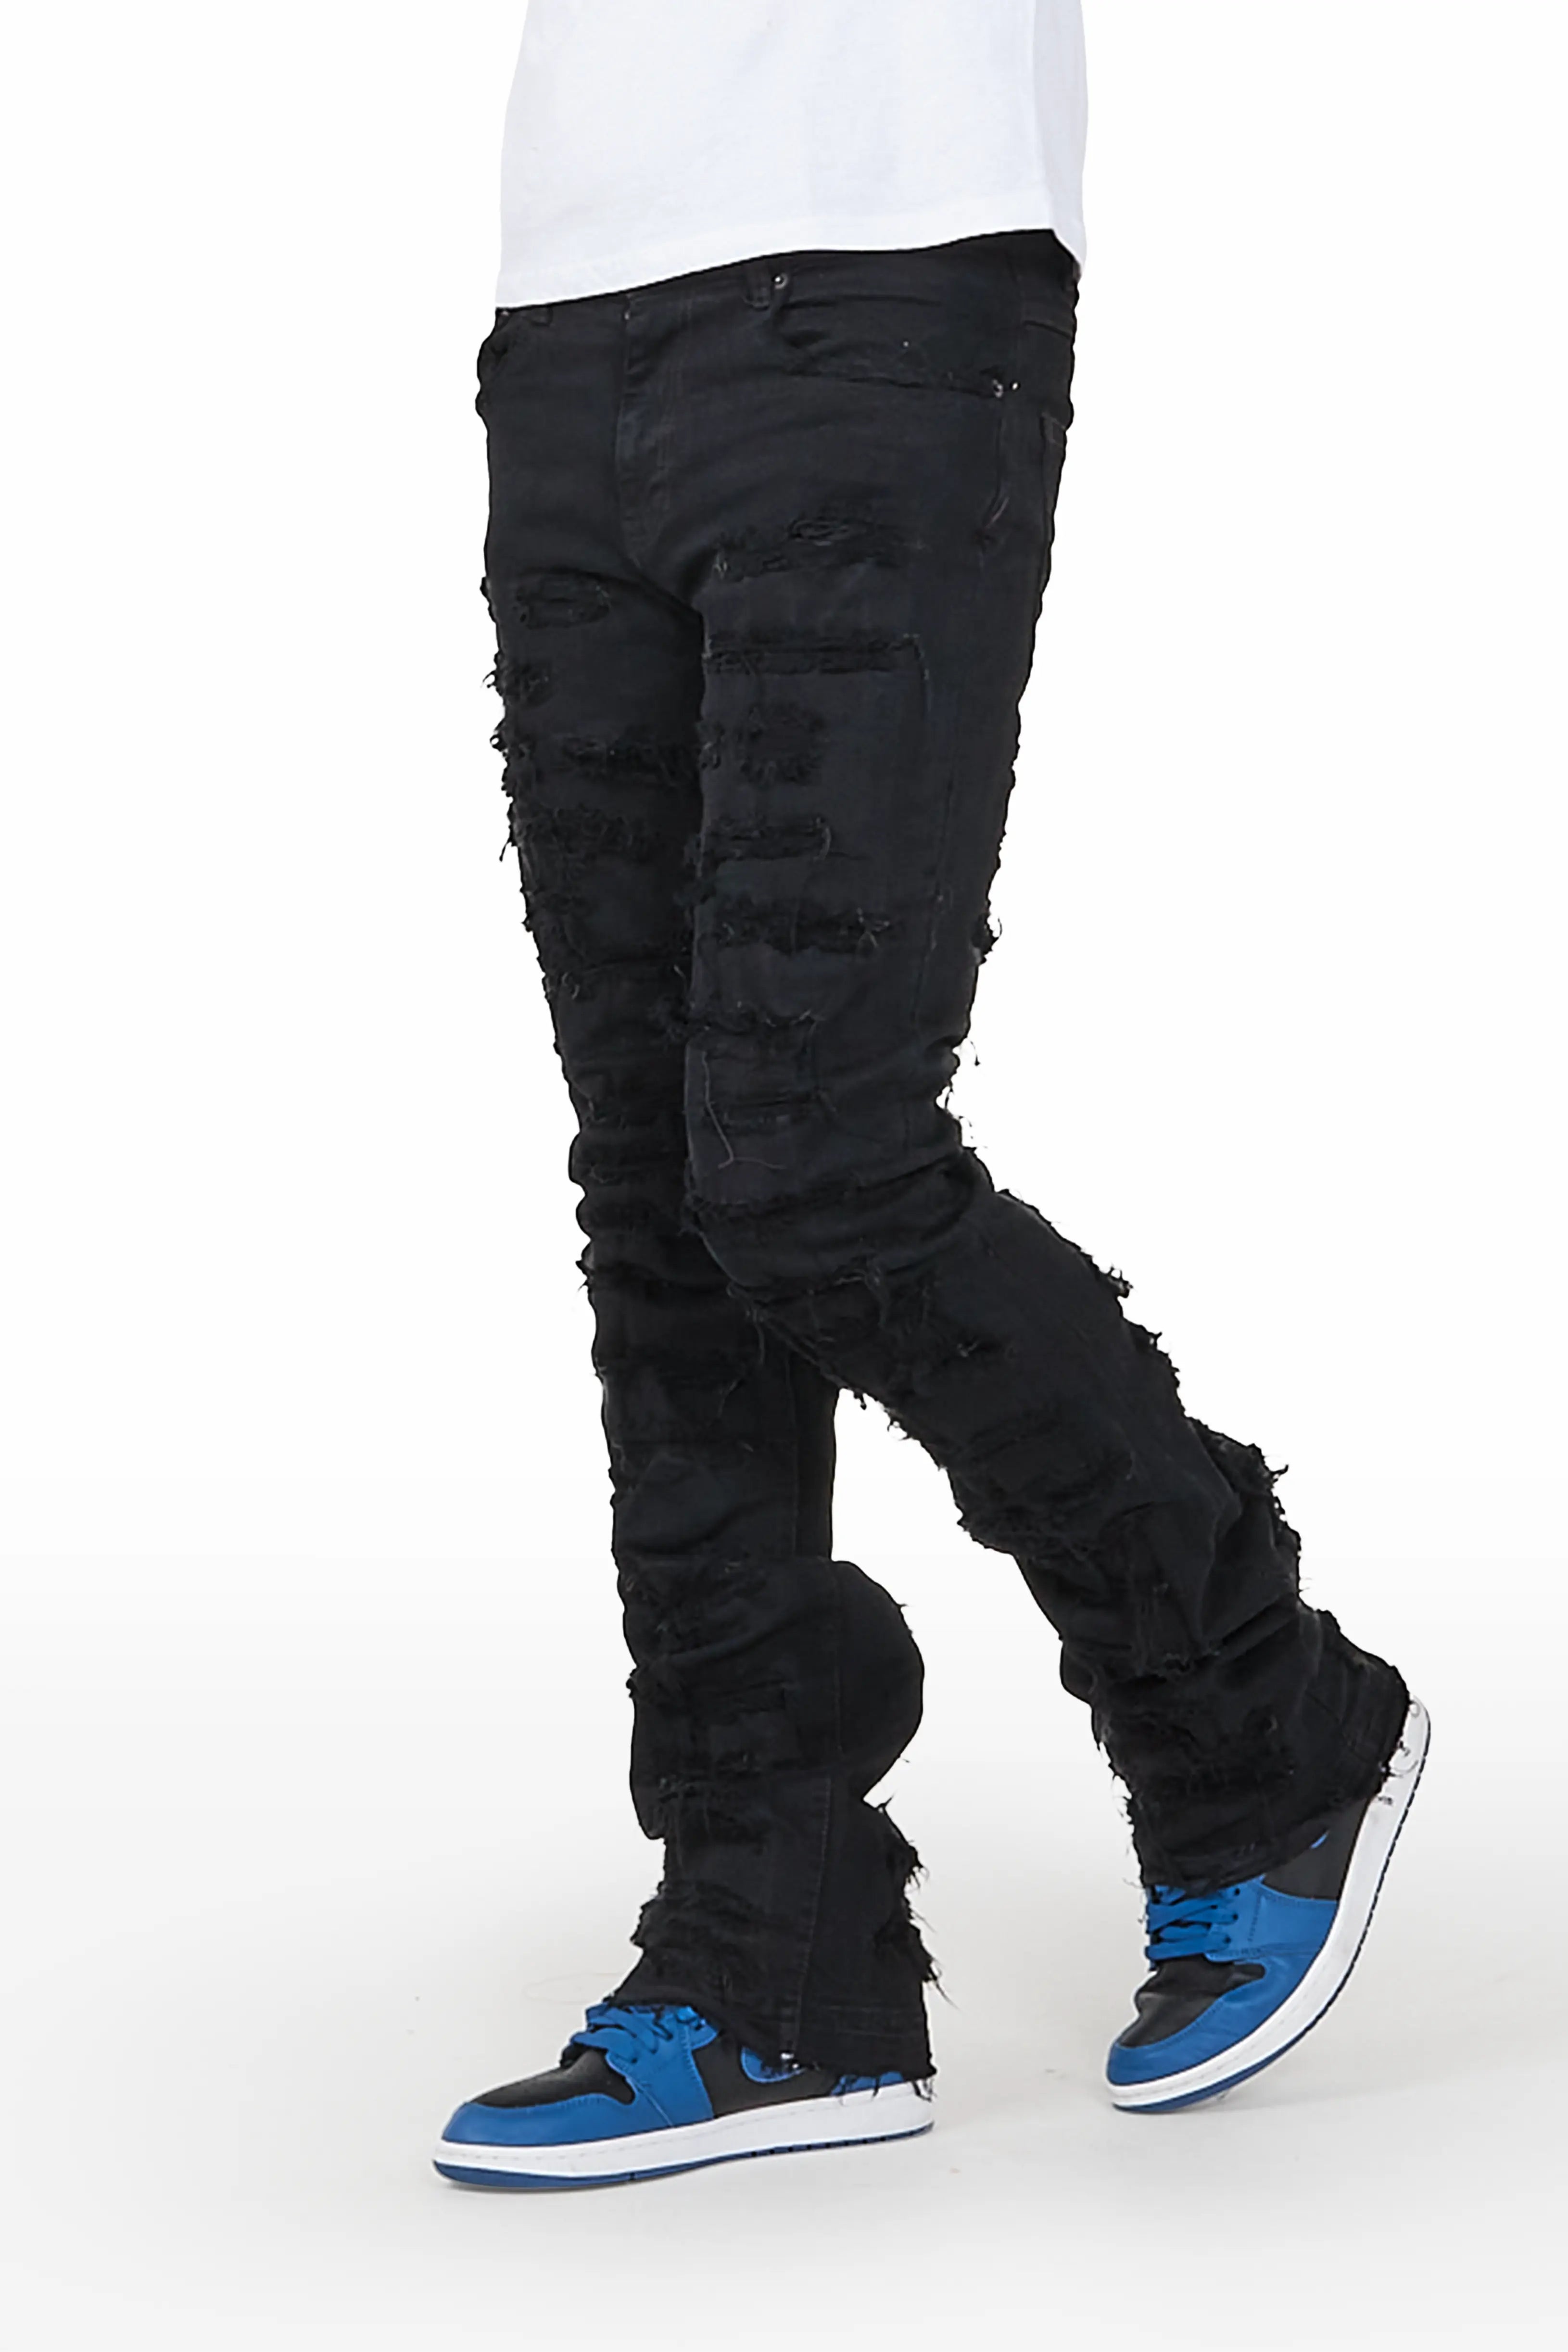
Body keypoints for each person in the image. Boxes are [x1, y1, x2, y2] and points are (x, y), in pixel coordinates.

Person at [433, 0, 1427, 2191]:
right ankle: (770, 1947)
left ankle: (1251, 1707)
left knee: (811, 1164)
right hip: (564, 310)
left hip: (881, 283)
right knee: (662, 1201)